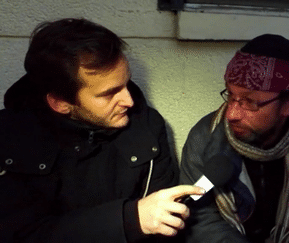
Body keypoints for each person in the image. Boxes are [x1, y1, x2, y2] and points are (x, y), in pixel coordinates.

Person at [0, 18, 204, 243]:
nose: (128, 100)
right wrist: (129, 220)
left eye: (127, 83)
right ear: (60, 103)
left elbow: (167, 227)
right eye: (109, 93)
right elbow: (18, 234)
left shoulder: (145, 125)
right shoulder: (9, 138)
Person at [179, 34, 289, 243]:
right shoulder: (204, 139)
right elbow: (198, 215)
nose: (231, 114)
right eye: (231, 96)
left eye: (250, 102)